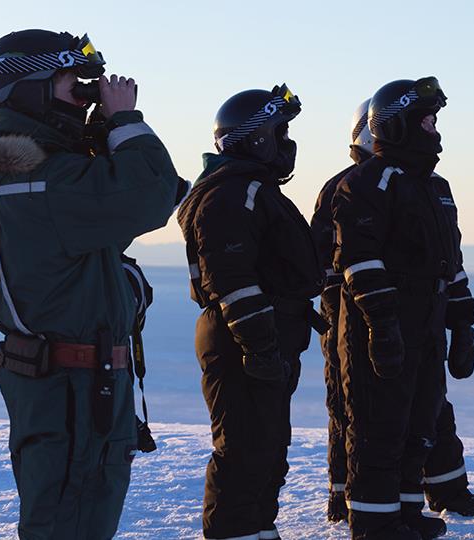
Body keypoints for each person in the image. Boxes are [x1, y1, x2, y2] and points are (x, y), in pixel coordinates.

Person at [0, 29, 187, 539]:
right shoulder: (43, 185)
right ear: (31, 89)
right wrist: (125, 124)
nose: (88, 99)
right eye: (76, 87)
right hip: (73, 390)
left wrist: (119, 282)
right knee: (72, 520)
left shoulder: (27, 181)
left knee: (72, 515)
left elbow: (138, 203)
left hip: (66, 383)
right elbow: (155, 193)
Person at [313, 99, 474, 525]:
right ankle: (361, 510)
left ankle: (417, 506)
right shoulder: (354, 184)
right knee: (365, 419)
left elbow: (450, 260)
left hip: (423, 319)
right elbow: (339, 261)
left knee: (423, 417)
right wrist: (373, 322)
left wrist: (462, 322)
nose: (434, 129)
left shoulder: (431, 187)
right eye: (425, 121)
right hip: (362, 317)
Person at [177, 84, 323, 540]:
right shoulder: (232, 192)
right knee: (241, 449)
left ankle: (259, 530)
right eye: (280, 132)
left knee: (267, 448)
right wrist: (258, 345)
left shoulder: (253, 189)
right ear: (256, 137)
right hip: (242, 343)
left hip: (266, 339)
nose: (287, 143)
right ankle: (235, 532)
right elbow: (231, 274)